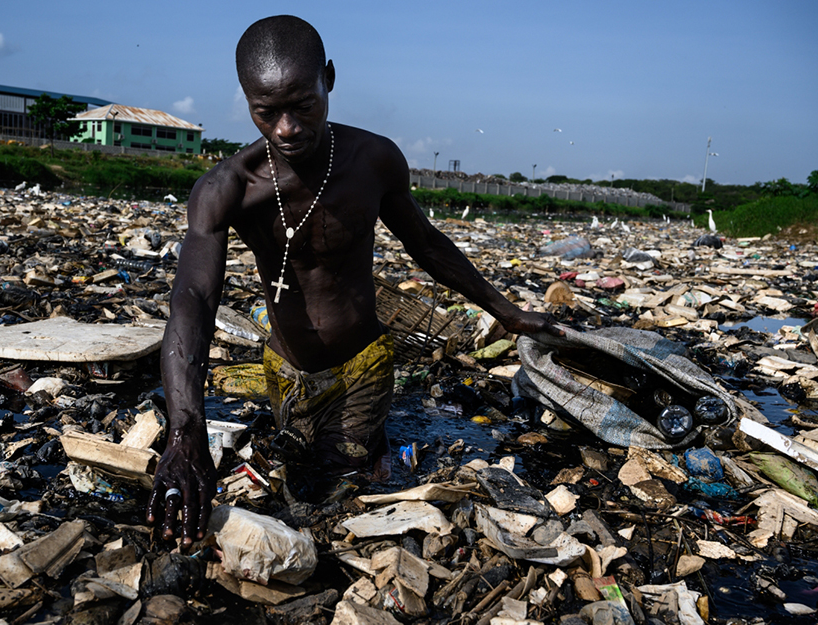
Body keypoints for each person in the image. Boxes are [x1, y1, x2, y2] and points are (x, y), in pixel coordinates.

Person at [147, 15, 563, 546]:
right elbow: (194, 299)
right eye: (266, 112)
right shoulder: (226, 188)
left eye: (302, 105)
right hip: (286, 367)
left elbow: (427, 243)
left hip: (362, 360)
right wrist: (185, 430)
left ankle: (367, 432)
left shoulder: (374, 160)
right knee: (290, 462)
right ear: (246, 101)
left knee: (331, 494)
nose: (287, 129)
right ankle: (364, 438)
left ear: (330, 79)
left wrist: (506, 311)